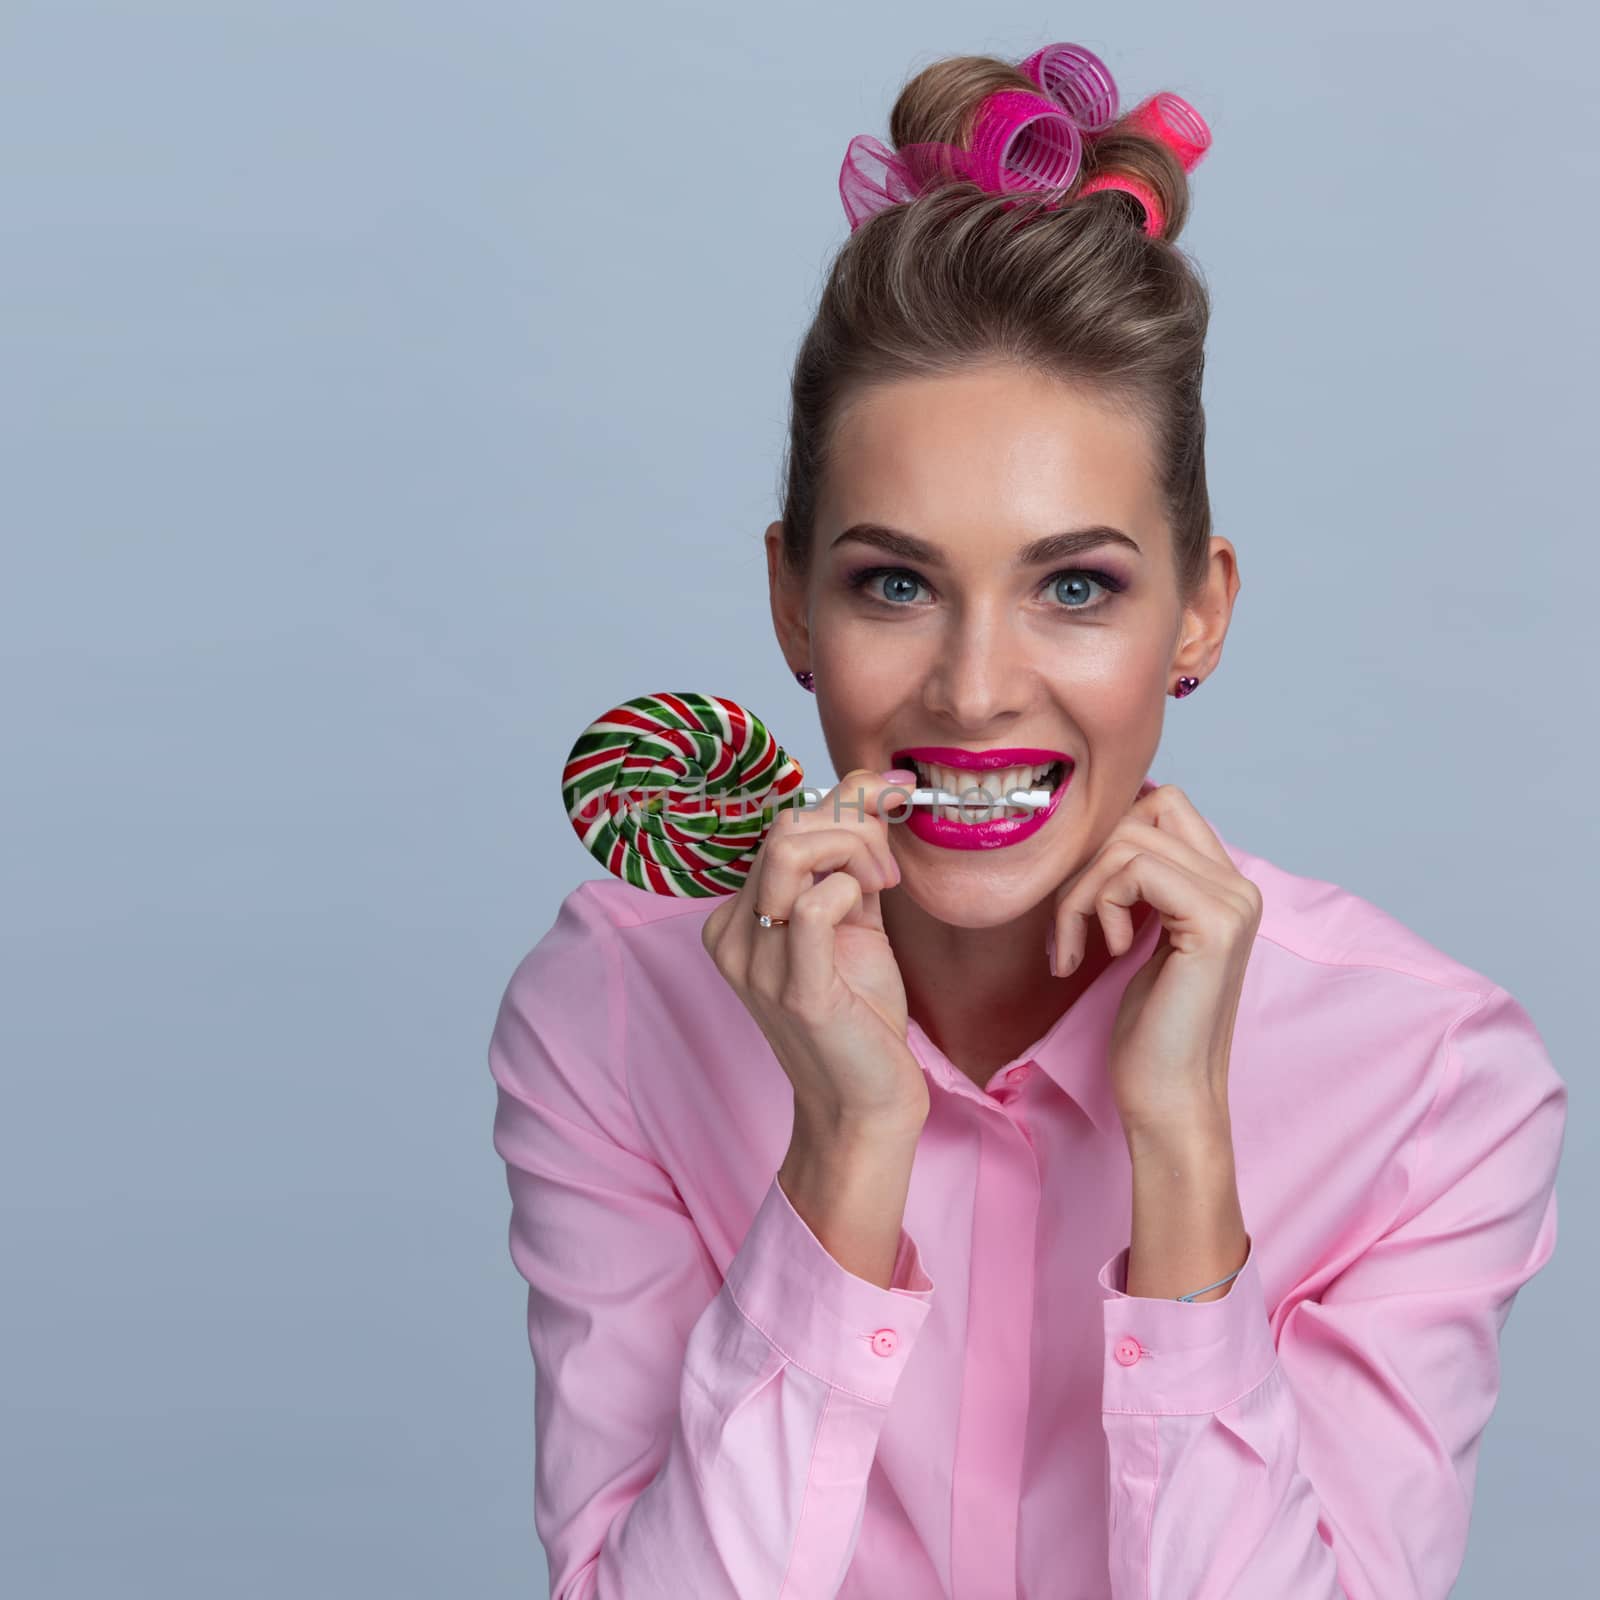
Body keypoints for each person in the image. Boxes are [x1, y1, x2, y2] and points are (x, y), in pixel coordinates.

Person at [488, 44, 1567, 1599]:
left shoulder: (1426, 1089)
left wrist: (1184, 1155)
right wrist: (850, 1146)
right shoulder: (611, 1015)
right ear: (792, 601)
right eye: (895, 584)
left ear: (1198, 615)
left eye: (1076, 587)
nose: (978, 689)